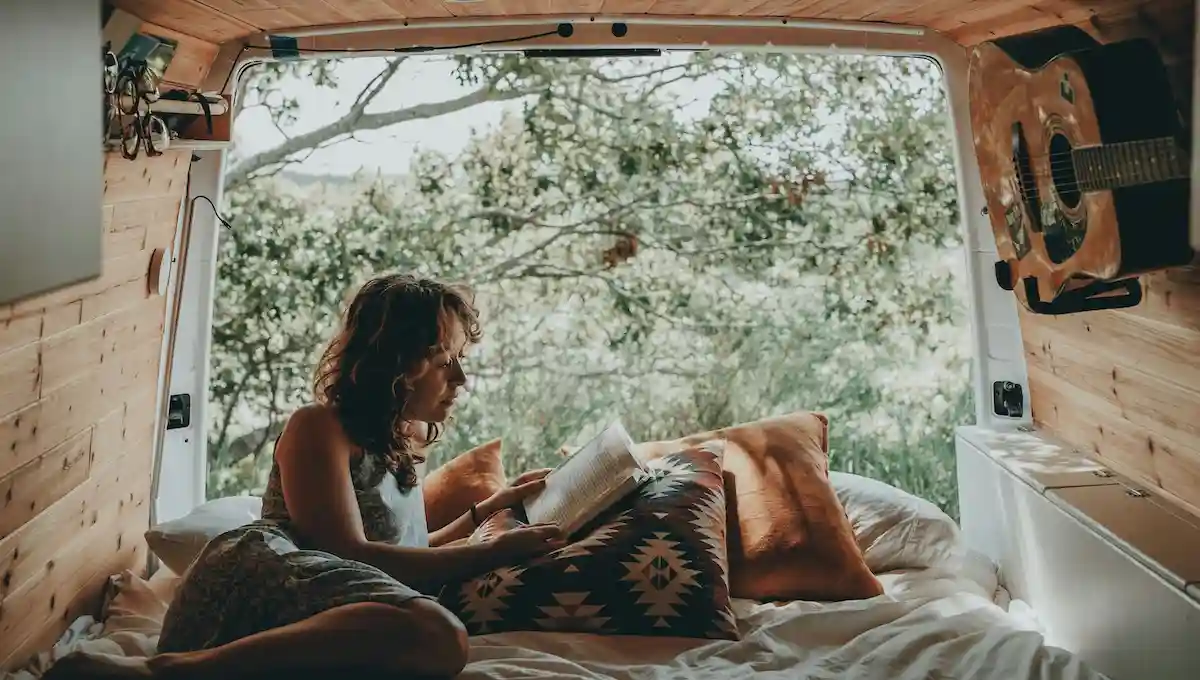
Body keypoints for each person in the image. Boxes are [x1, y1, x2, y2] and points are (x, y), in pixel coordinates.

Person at [46, 274, 566, 679]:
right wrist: (488, 552)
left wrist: (490, 510)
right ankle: (164, 673)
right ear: (396, 362)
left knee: (429, 641)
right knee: (440, 636)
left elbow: (406, 552)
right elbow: (346, 552)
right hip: (265, 577)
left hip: (329, 592)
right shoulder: (319, 426)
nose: (460, 379)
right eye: (443, 361)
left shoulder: (399, 444)